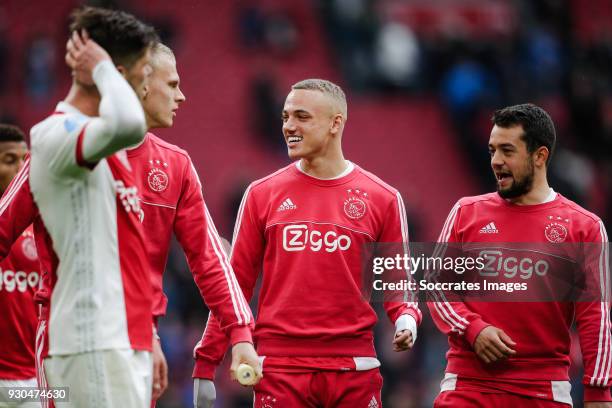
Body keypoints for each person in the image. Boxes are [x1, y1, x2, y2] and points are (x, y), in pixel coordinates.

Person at [0, 37, 261, 406]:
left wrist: (241, 337)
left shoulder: (176, 166)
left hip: (140, 343)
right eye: (172, 84)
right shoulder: (61, 147)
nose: (182, 96)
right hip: (69, 336)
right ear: (140, 81)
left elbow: (210, 260)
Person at [193, 79, 421, 407]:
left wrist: (406, 318)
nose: (289, 126)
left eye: (301, 116)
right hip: (280, 370)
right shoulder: (261, 194)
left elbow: (398, 279)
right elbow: (234, 286)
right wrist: (207, 361)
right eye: (285, 117)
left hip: (354, 370)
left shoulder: (383, 198)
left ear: (335, 123)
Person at [428, 103, 611, 407]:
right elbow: (436, 285)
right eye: (492, 151)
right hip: (468, 386)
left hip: (543, 391)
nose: (496, 161)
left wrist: (599, 392)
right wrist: (473, 328)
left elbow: (595, 318)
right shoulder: (466, 213)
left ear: (540, 156)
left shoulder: (584, 227)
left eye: (507, 151)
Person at [0, 125, 40, 408]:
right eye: (9, 160)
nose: (20, 169)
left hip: (36, 383)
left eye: (25, 160)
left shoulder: (45, 227)